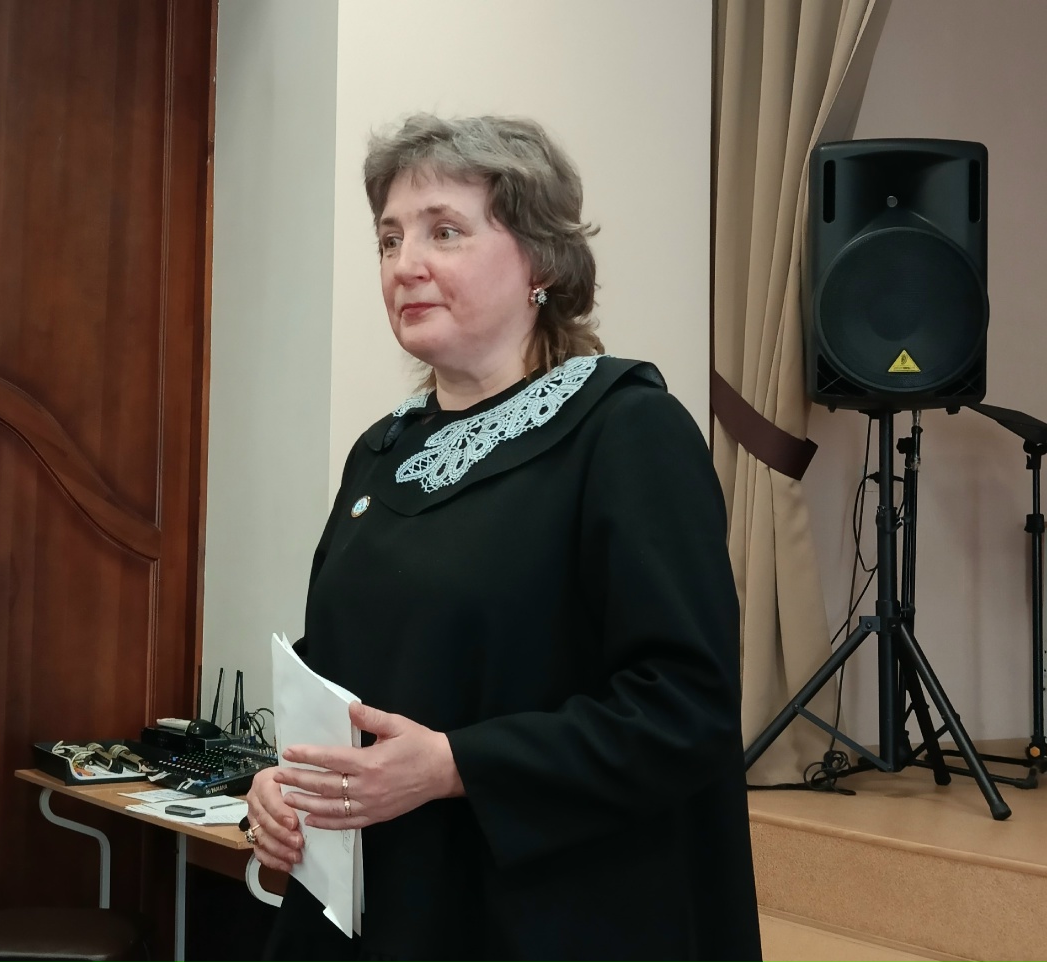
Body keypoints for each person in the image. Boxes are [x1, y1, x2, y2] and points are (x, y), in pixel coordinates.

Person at [244, 113, 762, 962]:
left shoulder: (628, 433)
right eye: (389, 239)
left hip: (540, 918)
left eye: (444, 231)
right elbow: (336, 674)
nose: (405, 264)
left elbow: (685, 707)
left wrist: (457, 765)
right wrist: (281, 782)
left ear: (542, 264)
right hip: (377, 910)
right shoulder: (379, 455)